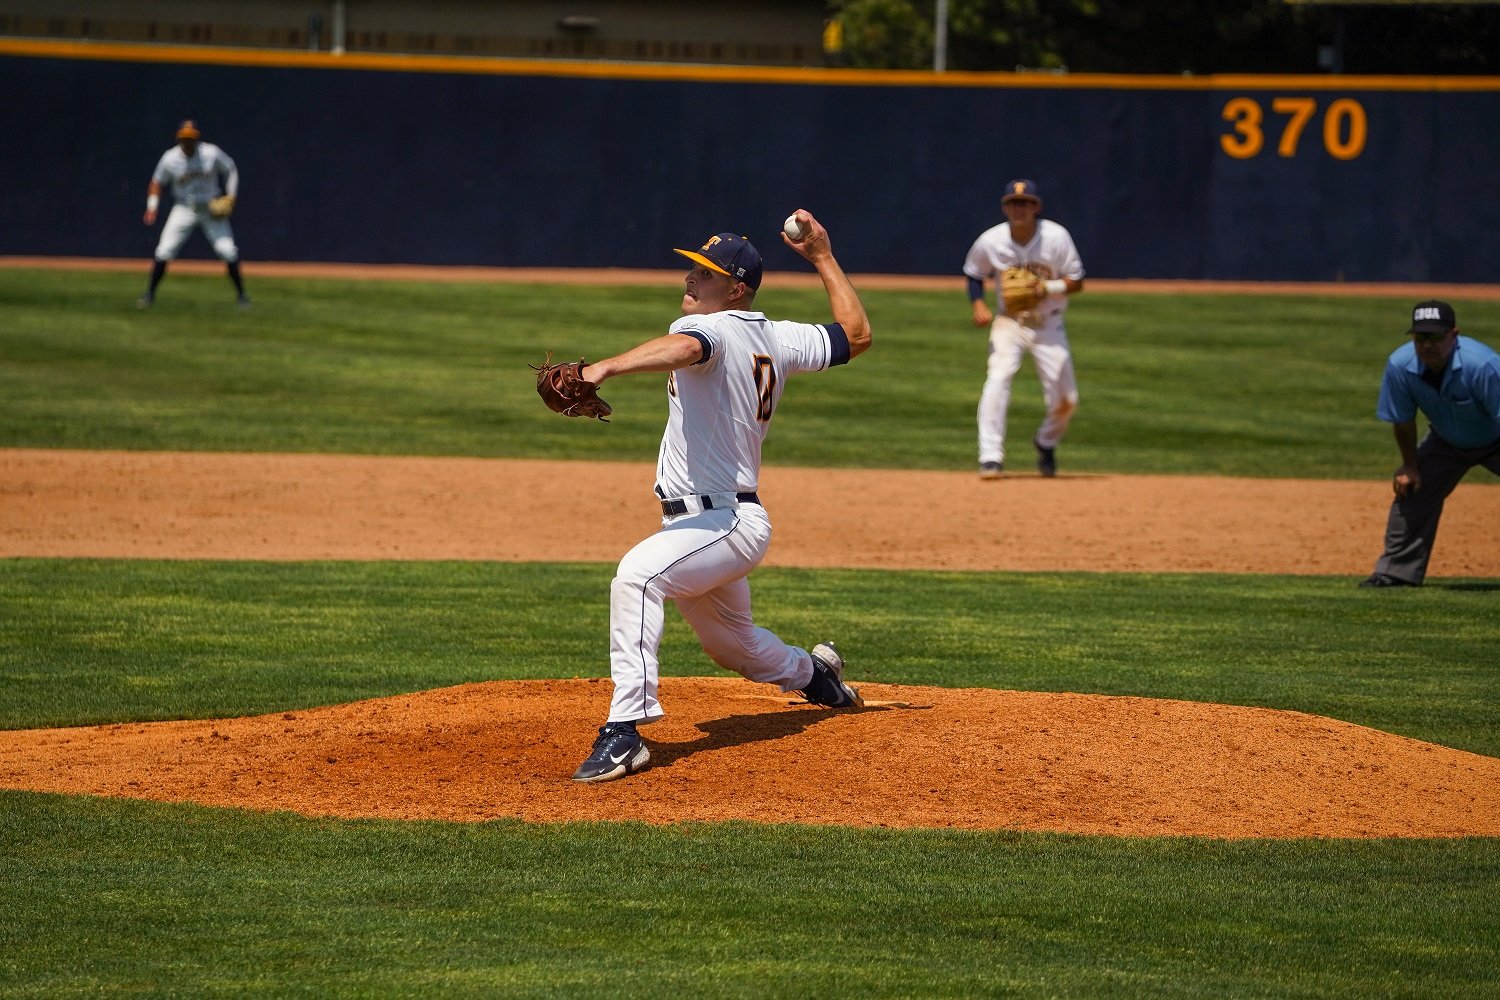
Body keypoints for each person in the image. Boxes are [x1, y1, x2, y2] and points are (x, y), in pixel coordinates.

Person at [568, 211, 872, 783]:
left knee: (636, 578)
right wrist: (824, 258)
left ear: (734, 290)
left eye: (704, 274)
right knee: (735, 647)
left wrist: (603, 367)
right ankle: (817, 677)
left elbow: (686, 350)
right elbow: (855, 336)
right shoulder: (777, 336)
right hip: (703, 526)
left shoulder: (719, 328)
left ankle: (624, 730)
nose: (689, 279)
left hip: (726, 521)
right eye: (691, 268)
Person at [1361, 300, 1500, 587]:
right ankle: (1395, 574)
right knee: (1413, 489)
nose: (1426, 345)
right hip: (1447, 441)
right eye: (1419, 337)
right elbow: (1402, 420)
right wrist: (1410, 466)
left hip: (1496, 437)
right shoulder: (1400, 365)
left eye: (1435, 337)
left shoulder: (1482, 365)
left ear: (1454, 334)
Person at [963, 179, 1085, 478]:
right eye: (1014, 203)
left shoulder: (1056, 237)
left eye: (1025, 203)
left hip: (1049, 324)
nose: (1019, 208)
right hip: (1009, 322)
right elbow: (974, 273)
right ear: (1005, 207)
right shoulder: (991, 240)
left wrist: (1046, 287)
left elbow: (1077, 281)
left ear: (1036, 207)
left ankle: (1045, 441)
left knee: (1067, 400)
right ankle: (990, 456)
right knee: (997, 378)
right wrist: (978, 304)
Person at [138, 119, 250, 308]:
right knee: (164, 250)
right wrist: (152, 207)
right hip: (184, 208)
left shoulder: (210, 153)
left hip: (210, 208)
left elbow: (230, 168)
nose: (188, 142)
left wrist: (231, 196)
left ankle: (242, 296)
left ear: (197, 139)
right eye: (184, 139)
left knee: (228, 250)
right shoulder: (170, 158)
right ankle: (149, 295)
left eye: (191, 139)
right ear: (179, 139)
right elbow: (156, 182)